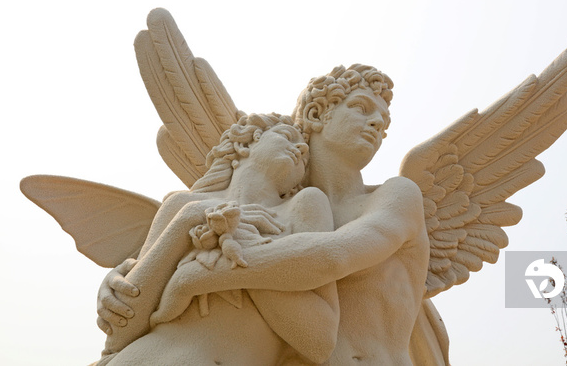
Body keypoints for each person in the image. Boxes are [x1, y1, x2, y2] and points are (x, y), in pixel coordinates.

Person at [150, 65, 431, 365]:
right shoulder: (282, 213)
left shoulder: (395, 196)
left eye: (384, 122)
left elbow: (333, 257)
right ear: (315, 115)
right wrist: (132, 273)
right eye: (361, 108)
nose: (377, 123)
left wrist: (195, 274)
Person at [99, 113, 340, 366]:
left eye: (305, 154)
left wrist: (237, 247)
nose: (301, 148)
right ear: (244, 144)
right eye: (287, 136)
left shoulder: (303, 206)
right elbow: (122, 326)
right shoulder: (184, 206)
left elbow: (319, 341)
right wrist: (190, 219)